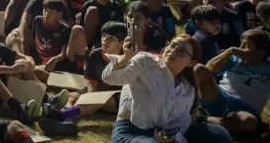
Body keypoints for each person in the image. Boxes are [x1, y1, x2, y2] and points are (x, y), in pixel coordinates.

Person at [102, 35, 231, 143]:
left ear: (191, 62)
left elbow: (181, 121)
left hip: (161, 132)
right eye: (172, 45)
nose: (173, 51)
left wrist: (172, 137)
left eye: (181, 51)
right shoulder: (146, 61)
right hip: (131, 132)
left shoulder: (187, 87)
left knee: (219, 134)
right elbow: (109, 78)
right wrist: (124, 59)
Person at [195, 29, 270, 141]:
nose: (241, 48)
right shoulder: (234, 59)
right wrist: (230, 51)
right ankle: (188, 106)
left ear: (261, 52)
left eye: (247, 45)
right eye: (241, 44)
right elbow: (209, 69)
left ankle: (203, 118)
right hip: (218, 97)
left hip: (243, 110)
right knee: (199, 69)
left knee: (248, 121)